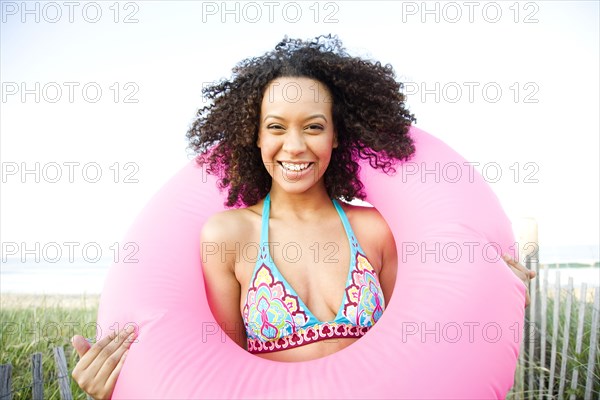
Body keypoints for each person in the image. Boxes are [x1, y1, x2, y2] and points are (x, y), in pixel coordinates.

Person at [71, 35, 536, 399]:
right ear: (254, 136)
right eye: (276, 127)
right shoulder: (229, 235)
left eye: (313, 126)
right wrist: (124, 386)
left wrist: (485, 288)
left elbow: (426, 341)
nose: (294, 147)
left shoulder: (373, 229)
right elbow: (212, 367)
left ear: (337, 136)